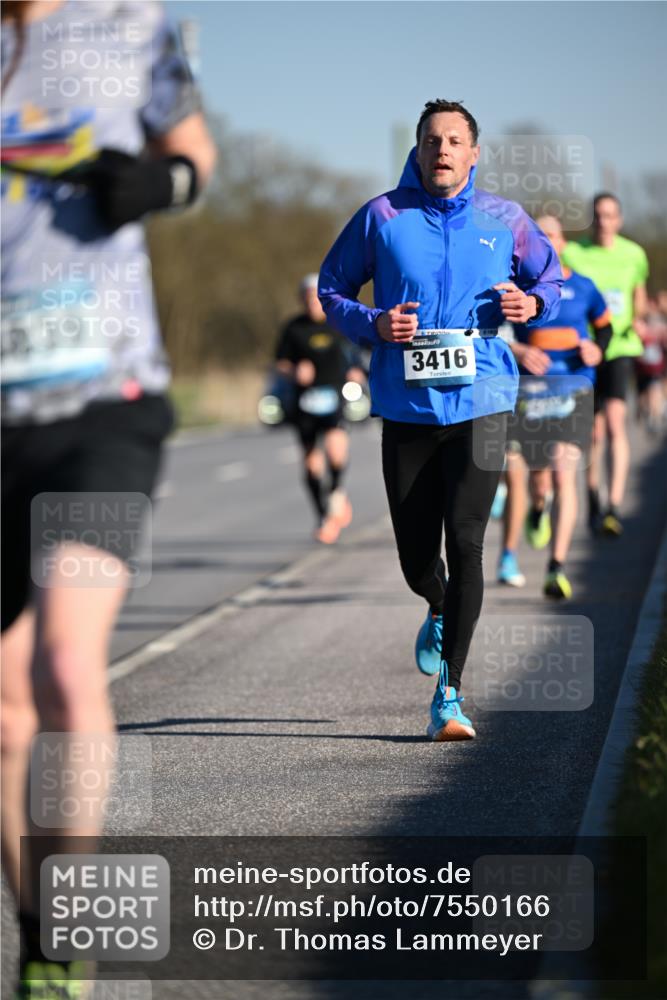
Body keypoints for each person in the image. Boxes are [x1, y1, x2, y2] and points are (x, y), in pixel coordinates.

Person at [1, 2, 216, 996]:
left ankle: (60, 939)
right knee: (4, 716)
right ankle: (45, 926)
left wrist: (160, 182)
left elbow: (196, 156)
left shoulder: (130, 24)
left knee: (62, 659)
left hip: (105, 402)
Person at [319, 99, 561, 741]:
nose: (443, 150)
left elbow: (550, 281)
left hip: (483, 400)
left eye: (455, 140)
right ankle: (434, 601)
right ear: (418, 149)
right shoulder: (382, 216)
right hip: (407, 407)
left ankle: (449, 696)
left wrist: (531, 303)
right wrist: (373, 324)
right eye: (432, 140)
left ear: (474, 153)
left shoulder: (505, 219)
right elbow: (331, 289)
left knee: (468, 539)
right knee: (416, 557)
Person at [498, 215, 612, 599]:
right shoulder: (516, 287)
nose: (546, 241)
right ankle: (537, 507)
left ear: (563, 243)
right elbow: (492, 336)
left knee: (565, 473)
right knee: (540, 480)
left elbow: (605, 327)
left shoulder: (584, 286)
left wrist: (598, 348)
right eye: (539, 236)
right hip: (531, 396)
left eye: (552, 235)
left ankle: (556, 566)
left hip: (574, 392)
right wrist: (520, 350)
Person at [562, 193, 649, 536]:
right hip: (586, 349)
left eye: (610, 215)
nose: (603, 221)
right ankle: (593, 496)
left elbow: (638, 296)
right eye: (598, 215)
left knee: (615, 425)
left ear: (619, 220)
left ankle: (614, 505)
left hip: (620, 346)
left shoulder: (634, 254)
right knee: (593, 432)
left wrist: (638, 318)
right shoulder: (574, 252)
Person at [275, 274, 364, 545]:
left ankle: (336, 492)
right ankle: (323, 516)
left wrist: (356, 371)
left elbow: (357, 353)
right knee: (311, 464)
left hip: (335, 396)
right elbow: (280, 362)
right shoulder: (293, 328)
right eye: (307, 298)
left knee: (336, 453)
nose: (311, 302)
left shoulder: (338, 323)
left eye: (315, 297)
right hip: (305, 401)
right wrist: (294, 371)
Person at [635, 296, 667, 435]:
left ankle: (655, 416)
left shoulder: (661, 319)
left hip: (657, 362)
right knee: (644, 390)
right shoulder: (641, 320)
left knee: (655, 388)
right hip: (643, 362)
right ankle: (646, 411)